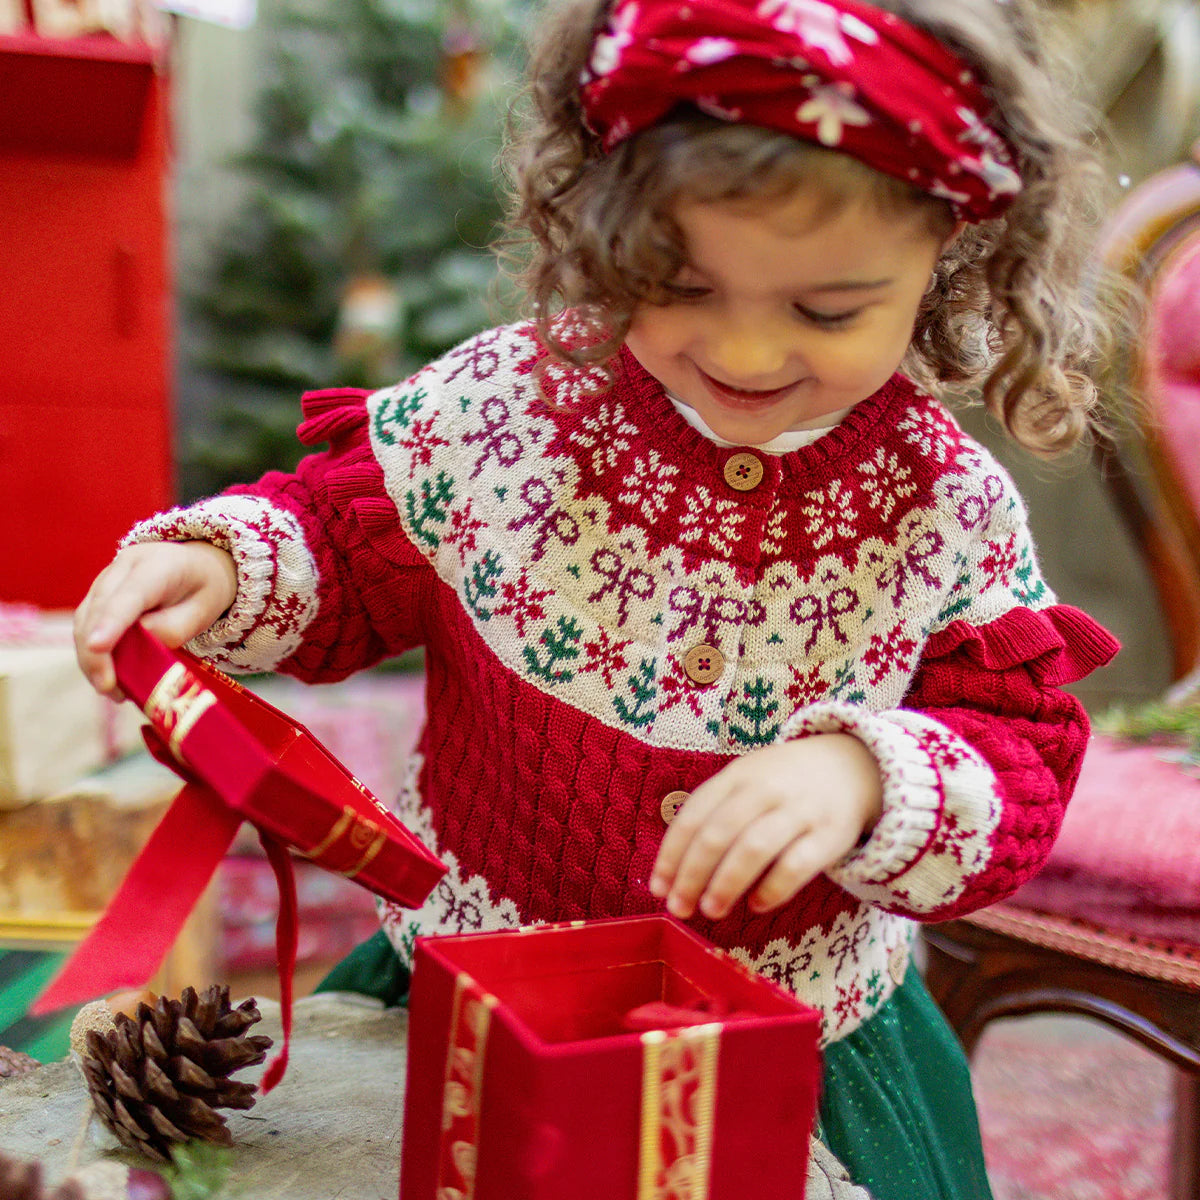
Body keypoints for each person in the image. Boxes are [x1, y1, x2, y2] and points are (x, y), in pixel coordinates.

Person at [75, 0, 1122, 1195]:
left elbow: (1016, 754)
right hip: (467, 1007)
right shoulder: (510, 410)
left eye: (827, 311)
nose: (745, 354)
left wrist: (866, 777)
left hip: (797, 1056)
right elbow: (343, 545)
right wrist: (224, 568)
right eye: (679, 285)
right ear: (607, 222)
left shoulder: (942, 509)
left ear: (955, 242)